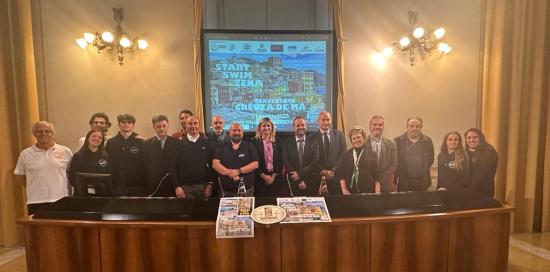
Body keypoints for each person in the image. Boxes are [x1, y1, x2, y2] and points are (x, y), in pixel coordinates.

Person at [14, 121, 73, 214]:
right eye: (39, 131)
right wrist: (36, 185)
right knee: (37, 229)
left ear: (53, 133)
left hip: (61, 200)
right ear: (34, 134)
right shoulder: (25, 154)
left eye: (47, 131)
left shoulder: (65, 151)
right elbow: (20, 177)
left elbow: (72, 174)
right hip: (35, 201)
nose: (43, 134)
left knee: (60, 229)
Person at [170, 116, 216, 199]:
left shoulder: (207, 143)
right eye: (190, 123)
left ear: (199, 125)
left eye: (195, 123)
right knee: (187, 212)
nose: (193, 126)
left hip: (204, 187)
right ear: (186, 126)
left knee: (204, 211)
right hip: (185, 188)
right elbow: (173, 167)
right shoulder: (178, 144)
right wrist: (177, 186)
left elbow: (213, 165)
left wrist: (210, 184)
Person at [212, 123, 259, 196]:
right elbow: (215, 164)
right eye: (234, 130)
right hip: (225, 191)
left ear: (242, 133)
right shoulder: (221, 146)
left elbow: (255, 164)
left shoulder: (250, 146)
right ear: (229, 132)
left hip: (247, 191)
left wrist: (238, 171)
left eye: (239, 130)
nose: (236, 133)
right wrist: (229, 173)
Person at [105, 114, 146, 196]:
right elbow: (108, 164)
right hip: (117, 184)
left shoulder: (140, 142)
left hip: (136, 185)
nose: (126, 124)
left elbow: (144, 164)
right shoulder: (111, 142)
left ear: (133, 125)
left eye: (129, 122)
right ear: (119, 124)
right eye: (123, 122)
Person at [310, 111, 347, 194]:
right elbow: (310, 158)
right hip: (317, 178)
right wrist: (322, 171)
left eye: (328, 120)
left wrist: (333, 170)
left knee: (335, 205)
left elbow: (343, 154)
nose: (326, 122)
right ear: (318, 121)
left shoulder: (339, 135)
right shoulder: (312, 137)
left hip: (336, 178)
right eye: (323, 120)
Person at [394, 117, 434, 191]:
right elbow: (394, 161)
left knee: (422, 202)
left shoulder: (427, 141)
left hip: (422, 183)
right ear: (407, 127)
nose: (414, 128)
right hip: (403, 183)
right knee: (404, 202)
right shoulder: (397, 141)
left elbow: (430, 160)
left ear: (421, 127)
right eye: (412, 126)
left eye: (417, 126)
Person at [283, 116, 320, 196]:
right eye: (298, 125)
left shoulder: (314, 142)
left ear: (306, 126)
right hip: (294, 182)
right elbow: (287, 162)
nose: (300, 127)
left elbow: (315, 162)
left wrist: (300, 174)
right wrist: (298, 180)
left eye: (302, 125)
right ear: (294, 127)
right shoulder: (286, 143)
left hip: (310, 182)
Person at [68, 129, 112, 195]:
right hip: (82, 193)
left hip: (101, 193)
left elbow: (110, 176)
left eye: (99, 138)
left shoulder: (106, 157)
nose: (96, 139)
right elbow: (72, 176)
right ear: (88, 138)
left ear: (102, 141)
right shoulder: (78, 156)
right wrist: (82, 189)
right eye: (94, 136)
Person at [337, 126, 380, 194]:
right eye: (354, 138)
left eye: (358, 137)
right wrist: (344, 190)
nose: (356, 140)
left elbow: (376, 177)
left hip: (368, 193)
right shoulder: (346, 155)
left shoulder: (372, 154)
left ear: (364, 138)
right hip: (350, 194)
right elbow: (341, 175)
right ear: (351, 141)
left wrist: (377, 194)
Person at [143, 115, 178, 196]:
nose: (162, 129)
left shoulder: (176, 143)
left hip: (171, 184)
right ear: (154, 127)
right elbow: (144, 165)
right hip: (153, 185)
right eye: (158, 126)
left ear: (167, 126)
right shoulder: (146, 144)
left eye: (164, 126)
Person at [250, 117, 283, 196]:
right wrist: (263, 175)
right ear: (260, 127)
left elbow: (280, 160)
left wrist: (273, 177)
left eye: (268, 126)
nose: (266, 128)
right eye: (264, 126)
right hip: (260, 177)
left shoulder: (278, 141)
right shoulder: (253, 141)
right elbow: (254, 160)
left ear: (272, 127)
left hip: (275, 177)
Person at [366, 115, 398, 192]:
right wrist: (373, 178)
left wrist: (380, 178)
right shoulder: (363, 144)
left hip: (385, 184)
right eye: (374, 124)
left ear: (383, 127)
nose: (377, 127)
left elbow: (394, 164)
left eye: (380, 125)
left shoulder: (392, 144)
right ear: (369, 126)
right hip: (367, 184)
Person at [464, 128, 498, 197]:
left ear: (481, 138)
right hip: (467, 190)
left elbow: (481, 173)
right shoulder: (466, 152)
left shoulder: (488, 151)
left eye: (475, 137)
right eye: (469, 138)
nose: (472, 140)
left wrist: (469, 191)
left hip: (483, 191)